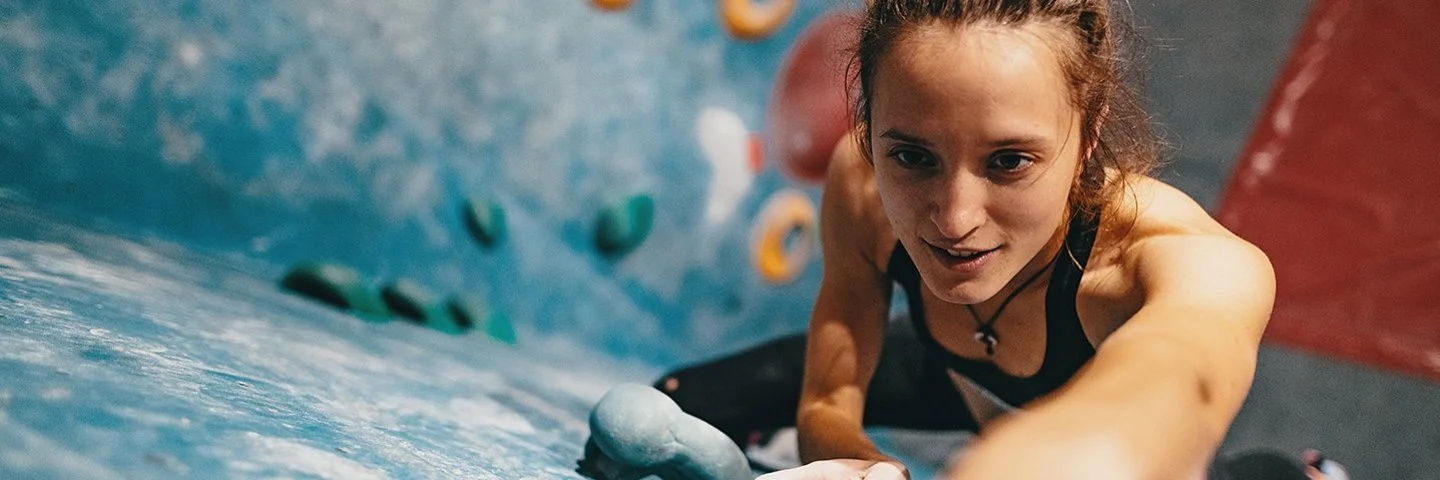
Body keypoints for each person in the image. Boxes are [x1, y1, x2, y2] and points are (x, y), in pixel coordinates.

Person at [655, 0, 1329, 478]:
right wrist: (866, 469)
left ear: (1089, 131)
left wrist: (1023, 464)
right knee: (674, 405)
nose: (954, 220)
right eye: (912, 156)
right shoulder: (861, 183)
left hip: (1106, 430)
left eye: (1008, 161)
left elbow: (1178, 383)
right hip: (949, 367)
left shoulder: (1185, 262)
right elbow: (829, 403)